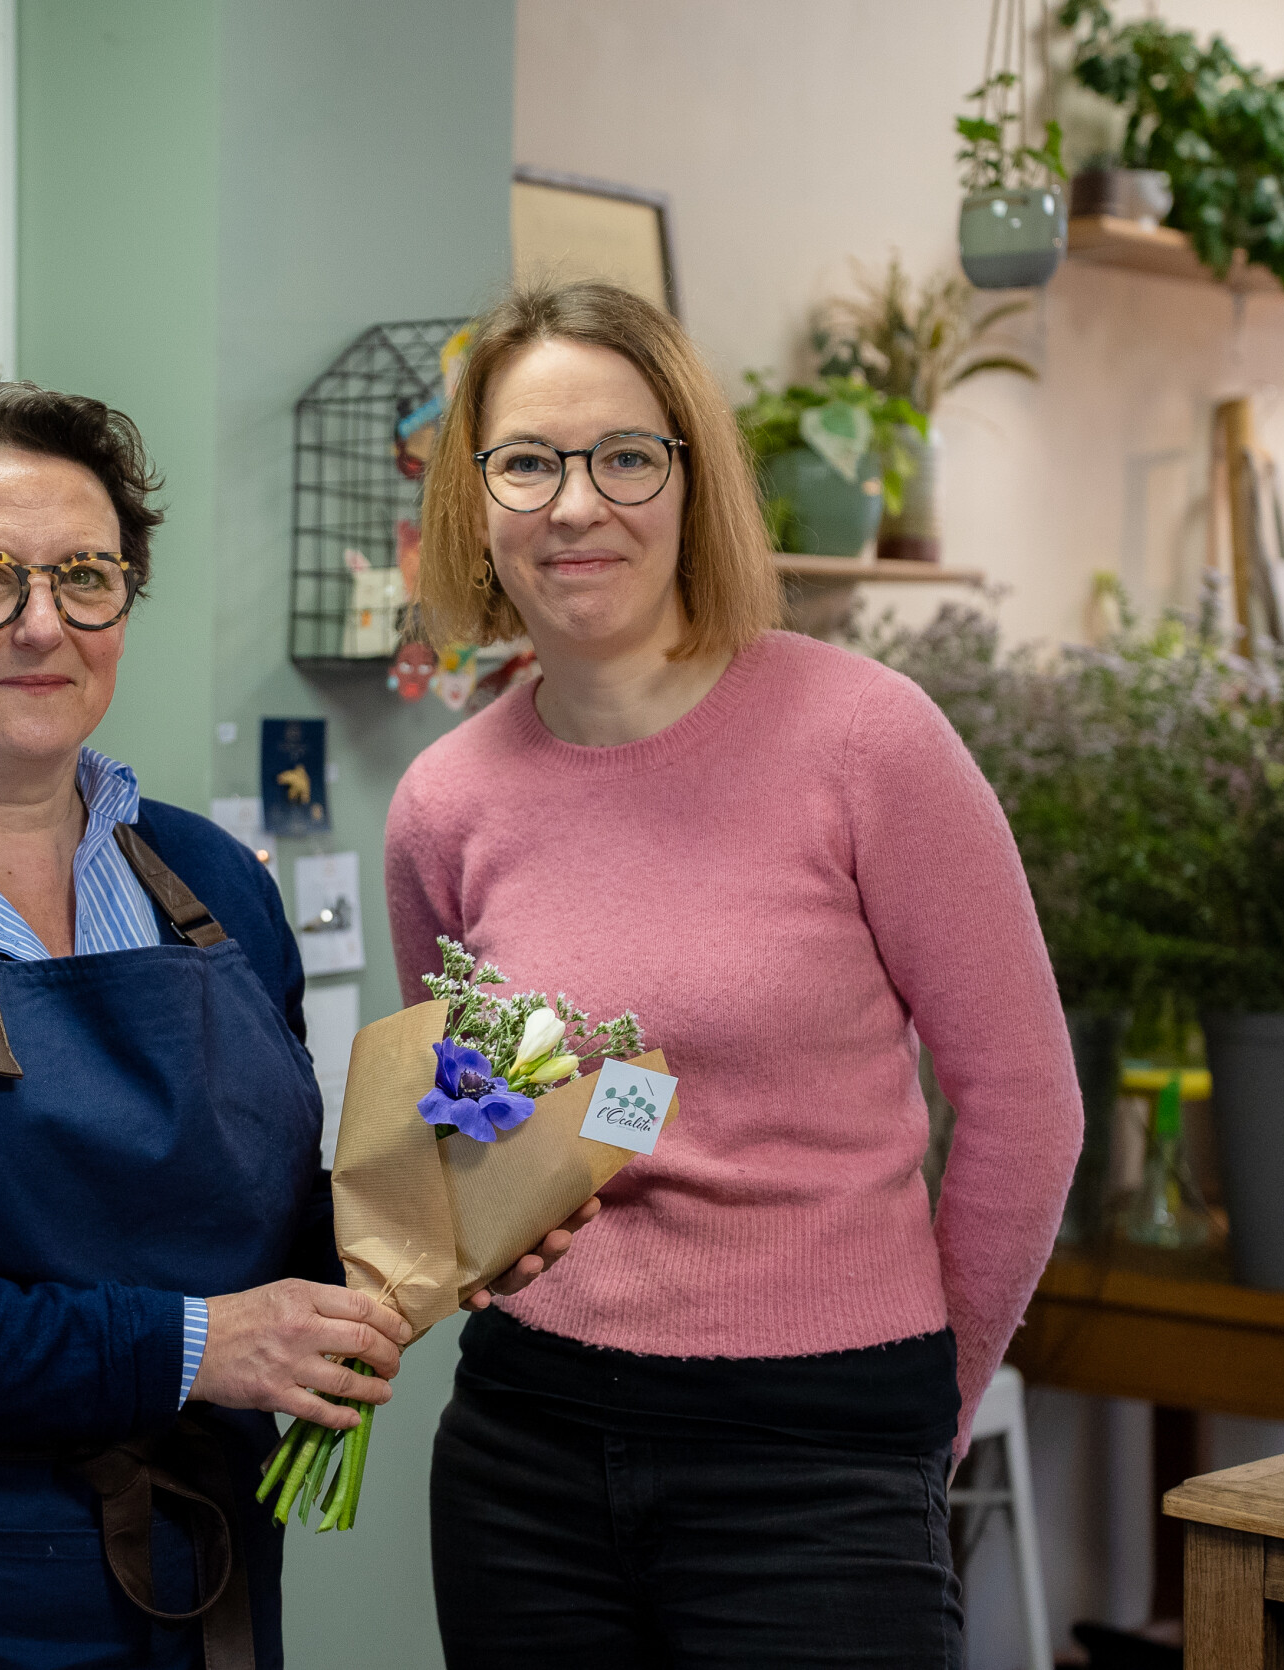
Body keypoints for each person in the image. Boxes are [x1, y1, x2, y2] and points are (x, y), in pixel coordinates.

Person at [0, 378, 584, 1670]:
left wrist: (445, 1223)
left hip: (181, 1579)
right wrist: (191, 1345)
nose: (42, 625)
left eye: (87, 576)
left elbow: (263, 1230)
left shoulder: (213, 883)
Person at [386, 280, 1082, 1668]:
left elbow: (1025, 1106)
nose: (575, 505)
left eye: (625, 456)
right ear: (474, 501)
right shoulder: (443, 803)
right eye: (527, 462)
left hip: (818, 1459)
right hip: (526, 1452)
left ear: (693, 480)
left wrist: (918, 1414)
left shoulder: (865, 741)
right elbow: (473, 1138)